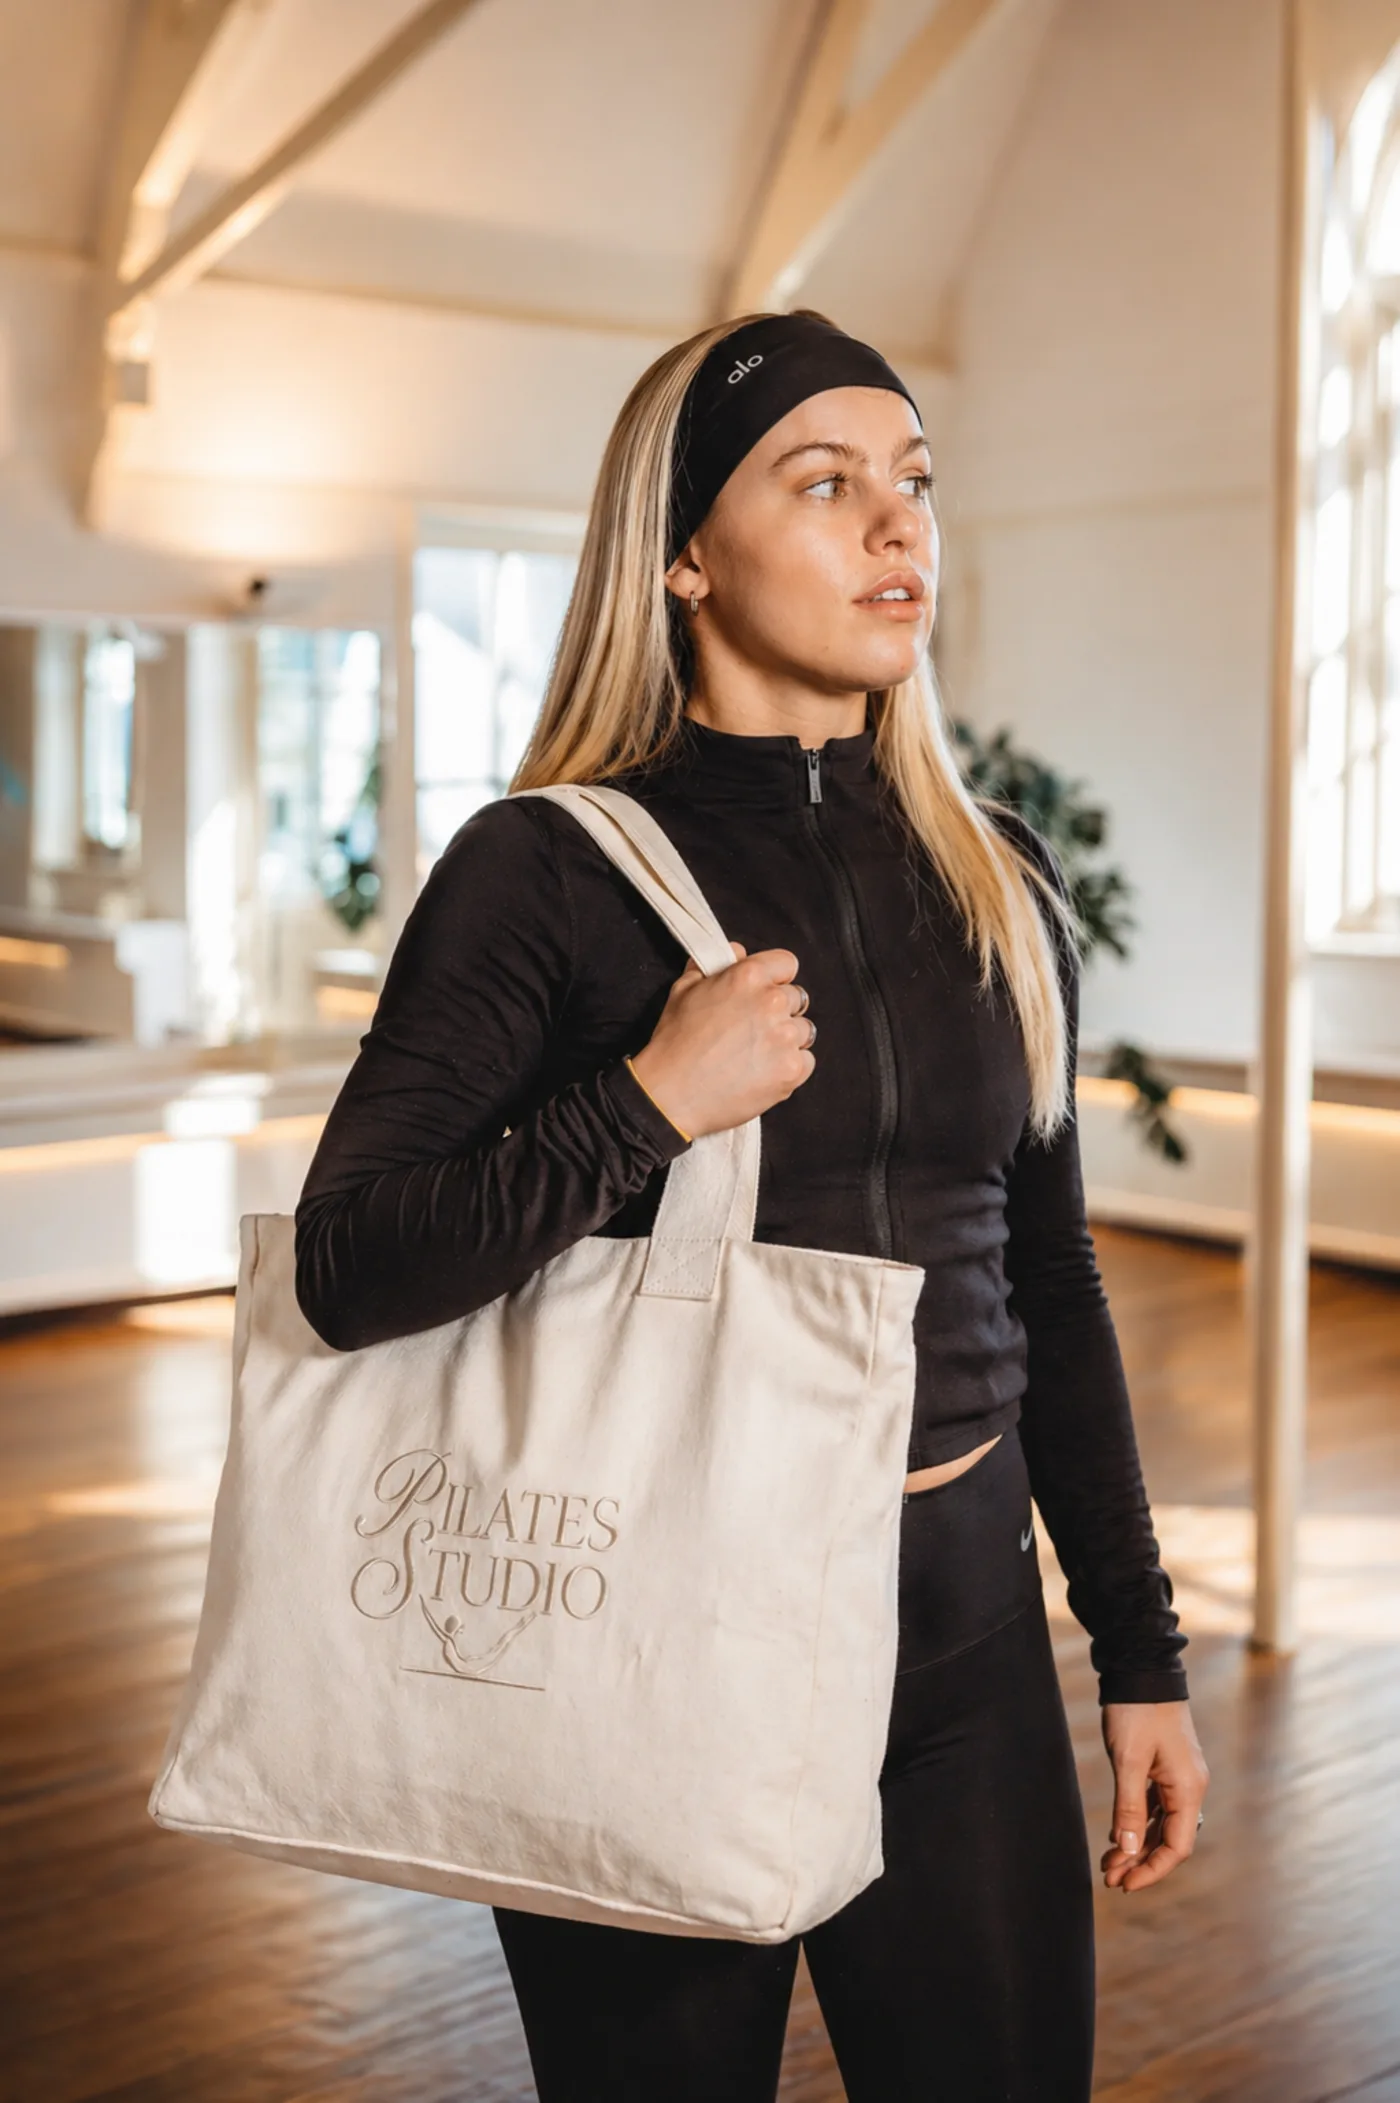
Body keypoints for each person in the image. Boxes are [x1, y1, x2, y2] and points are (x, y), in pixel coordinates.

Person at [295, 309, 1210, 2103]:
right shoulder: (543, 870)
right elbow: (348, 1265)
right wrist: (649, 1102)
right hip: (649, 1641)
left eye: (916, 483)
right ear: (686, 557)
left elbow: (1051, 1277)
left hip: (960, 1645)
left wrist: (1140, 1650)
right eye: (826, 480)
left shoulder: (996, 876)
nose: (899, 528)